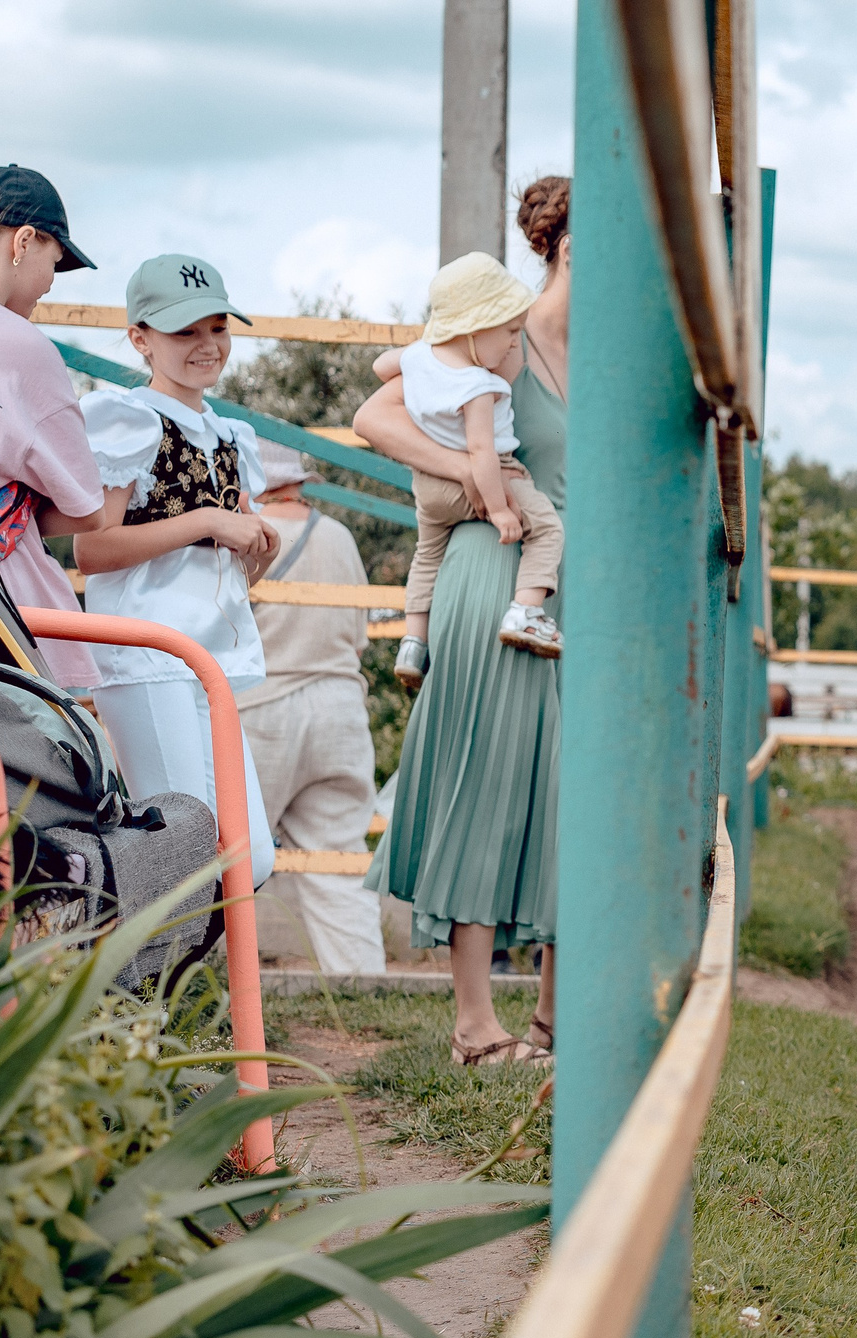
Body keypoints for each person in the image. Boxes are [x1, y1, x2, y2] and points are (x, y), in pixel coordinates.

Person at [356, 175, 571, 1065]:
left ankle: (556, 1019)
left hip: (568, 581)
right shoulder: (494, 336)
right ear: (571, 248)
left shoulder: (612, 351)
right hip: (496, 564)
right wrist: (471, 474)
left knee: (567, 791)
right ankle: (476, 1026)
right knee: (488, 779)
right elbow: (374, 414)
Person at [75, 253, 277, 887]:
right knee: (183, 857)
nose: (207, 344)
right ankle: (124, 949)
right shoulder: (129, 419)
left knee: (250, 855)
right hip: (145, 657)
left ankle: (156, 953)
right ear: (140, 339)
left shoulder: (232, 435)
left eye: (218, 327)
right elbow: (91, 549)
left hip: (210, 660)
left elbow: (228, 579)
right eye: (184, 330)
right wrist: (207, 521)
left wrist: (256, 553)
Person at [378, 251, 563, 686]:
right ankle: (526, 612)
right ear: (475, 328)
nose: (515, 342)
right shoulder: (479, 386)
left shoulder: (419, 358)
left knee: (426, 555)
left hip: (429, 487)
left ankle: (413, 644)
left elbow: (380, 366)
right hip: (485, 476)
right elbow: (482, 451)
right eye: (510, 331)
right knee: (547, 529)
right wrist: (499, 509)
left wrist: (425, 355)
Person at [238, 445, 384, 973]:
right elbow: (359, 638)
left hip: (260, 708)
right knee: (338, 862)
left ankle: (205, 986)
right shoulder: (339, 535)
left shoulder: (246, 535)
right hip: (339, 709)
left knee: (229, 857)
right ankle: (364, 985)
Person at [0, 164, 107, 686]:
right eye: (54, 263)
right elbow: (86, 508)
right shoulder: (22, 346)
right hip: (11, 616)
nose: (48, 284)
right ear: (23, 242)